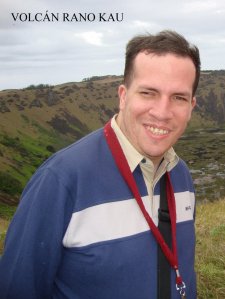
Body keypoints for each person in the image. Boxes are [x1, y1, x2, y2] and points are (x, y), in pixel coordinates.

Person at [0, 30, 200, 299]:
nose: (162, 112)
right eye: (148, 93)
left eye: (179, 97)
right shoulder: (61, 180)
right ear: (123, 95)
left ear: (192, 105)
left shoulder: (181, 176)